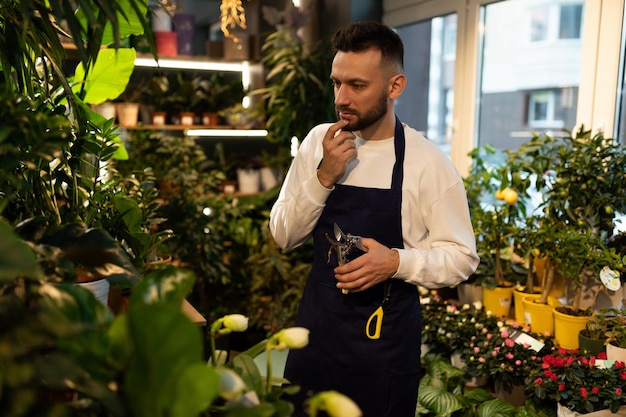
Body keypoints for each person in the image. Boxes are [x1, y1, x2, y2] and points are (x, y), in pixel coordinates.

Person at [269, 21, 479, 417]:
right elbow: (283, 235)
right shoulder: (318, 143)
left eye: (357, 86)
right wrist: (324, 176)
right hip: (316, 338)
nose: (341, 98)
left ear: (394, 86)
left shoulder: (427, 163)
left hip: (383, 352)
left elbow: (462, 257)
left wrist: (397, 262)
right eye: (337, 83)